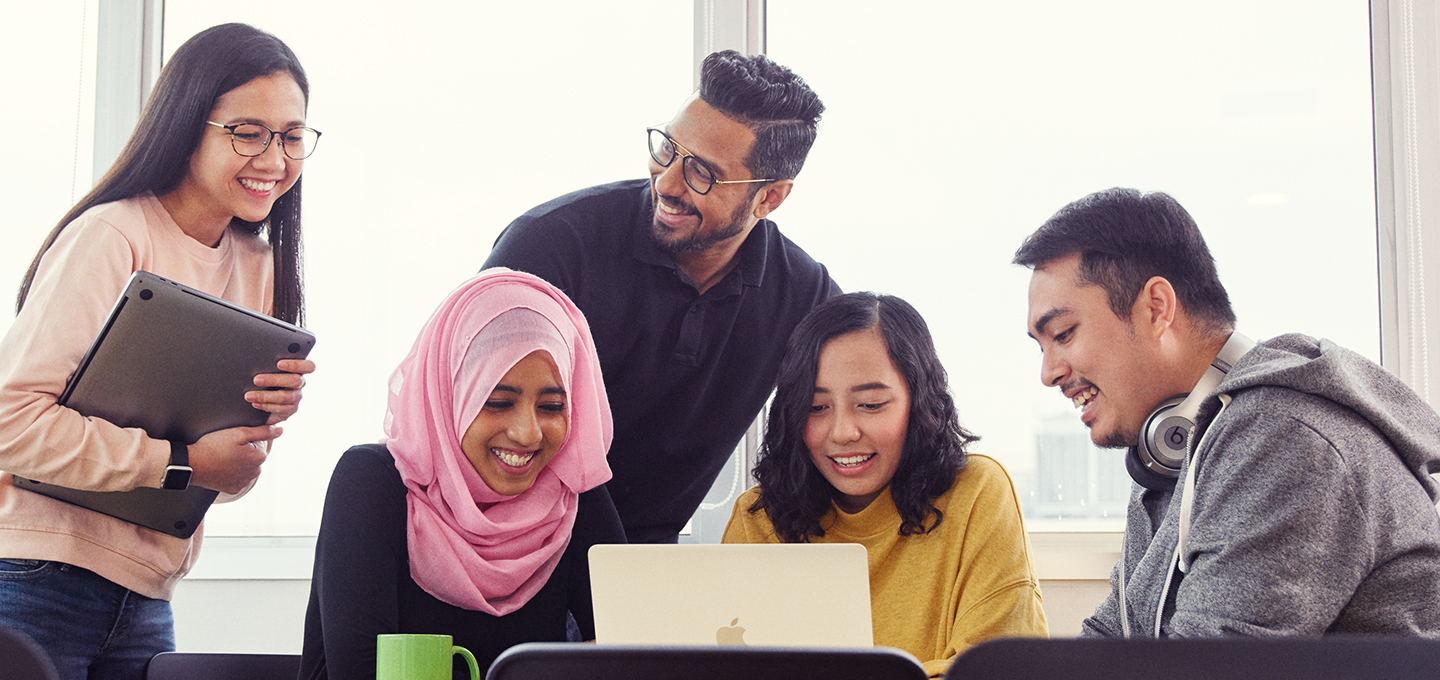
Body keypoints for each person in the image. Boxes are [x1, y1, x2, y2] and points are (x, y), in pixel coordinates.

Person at [0, 22, 318, 679]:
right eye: (248, 132)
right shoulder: (112, 236)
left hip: (145, 594)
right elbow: (10, 425)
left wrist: (243, 452)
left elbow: (213, 481)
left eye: (291, 136)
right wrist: (185, 460)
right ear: (187, 124)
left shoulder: (258, 265)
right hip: (34, 577)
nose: (274, 158)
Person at [1015, 187, 1440, 637]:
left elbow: (1206, 669)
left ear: (1156, 308)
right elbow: (1111, 639)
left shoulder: (1282, 441)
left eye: (1062, 334)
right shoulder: (1178, 451)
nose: (1049, 372)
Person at [483, 49, 839, 544]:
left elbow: (854, 428)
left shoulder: (804, 296)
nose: (667, 181)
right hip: (499, 551)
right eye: (667, 149)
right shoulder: (549, 247)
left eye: (702, 173)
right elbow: (463, 419)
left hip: (642, 569)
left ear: (769, 197)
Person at [299, 269, 625, 679]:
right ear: (449, 396)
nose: (528, 432)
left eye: (552, 407)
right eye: (498, 402)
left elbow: (630, 648)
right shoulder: (372, 483)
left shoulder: (570, 495)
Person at [723, 292, 1048, 676]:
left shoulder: (977, 492)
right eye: (816, 408)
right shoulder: (759, 515)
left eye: (872, 404)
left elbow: (999, 668)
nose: (843, 432)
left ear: (920, 400)